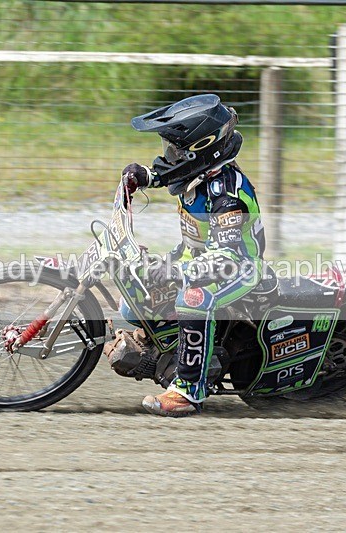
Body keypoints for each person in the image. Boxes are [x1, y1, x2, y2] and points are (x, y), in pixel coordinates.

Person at [112, 94, 266, 417]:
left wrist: (179, 273)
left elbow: (225, 258)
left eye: (175, 150)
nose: (169, 156)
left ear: (201, 150)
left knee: (193, 299)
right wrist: (141, 176)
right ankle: (159, 345)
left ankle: (188, 391)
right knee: (137, 291)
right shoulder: (201, 170)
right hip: (195, 255)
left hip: (237, 267)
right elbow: (169, 173)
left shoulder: (227, 194)